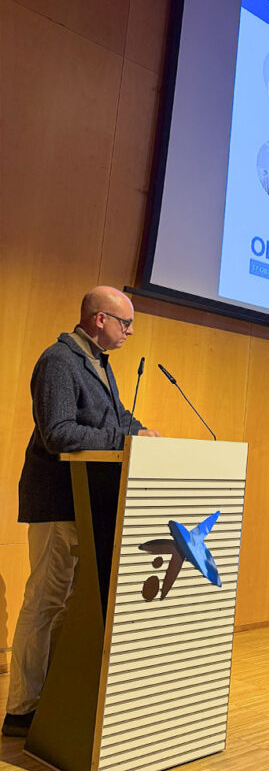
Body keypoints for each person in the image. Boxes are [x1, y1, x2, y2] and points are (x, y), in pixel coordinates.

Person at [2, 286, 160, 738]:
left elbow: (116, 419)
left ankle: (52, 696)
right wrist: (126, 440)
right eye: (125, 323)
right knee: (45, 602)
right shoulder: (59, 361)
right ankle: (21, 709)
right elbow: (58, 433)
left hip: (88, 502)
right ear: (98, 319)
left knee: (69, 604)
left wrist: (143, 431)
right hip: (57, 501)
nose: (130, 331)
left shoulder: (99, 363)